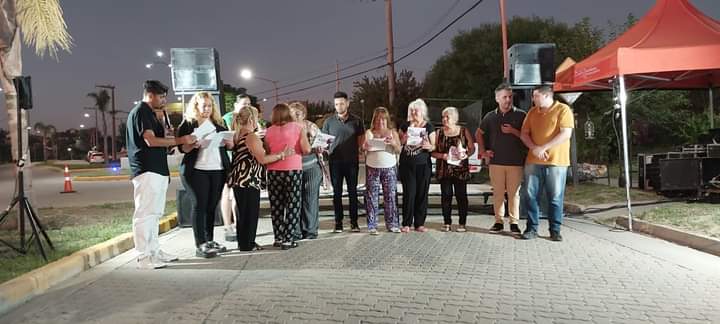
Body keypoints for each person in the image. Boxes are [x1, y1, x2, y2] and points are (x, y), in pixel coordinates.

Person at [126, 80, 196, 269]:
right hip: (146, 168)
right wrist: (179, 139)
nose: (164, 100)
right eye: (161, 96)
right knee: (145, 214)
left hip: (157, 169)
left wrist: (169, 133)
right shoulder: (142, 111)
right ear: (150, 95)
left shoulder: (153, 113)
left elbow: (163, 140)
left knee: (155, 214)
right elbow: (150, 140)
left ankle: (154, 251)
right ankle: (143, 256)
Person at [227, 105, 293, 251]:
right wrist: (282, 155)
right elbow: (262, 158)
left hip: (239, 179)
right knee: (250, 213)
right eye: (257, 117)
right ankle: (248, 243)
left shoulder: (237, 135)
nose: (259, 120)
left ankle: (244, 242)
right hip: (249, 179)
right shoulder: (251, 136)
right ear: (251, 119)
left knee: (242, 213)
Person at [176, 92, 232, 258]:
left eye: (209, 106)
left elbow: (228, 146)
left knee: (211, 206)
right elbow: (182, 148)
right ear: (196, 106)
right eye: (203, 106)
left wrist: (229, 143)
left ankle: (209, 240)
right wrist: (193, 144)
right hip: (196, 171)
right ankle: (200, 244)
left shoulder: (219, 125)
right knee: (199, 205)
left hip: (217, 170)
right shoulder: (187, 125)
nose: (207, 109)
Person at [520, 85, 574, 241]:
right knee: (530, 195)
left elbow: (566, 134)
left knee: (555, 196)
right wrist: (534, 148)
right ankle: (531, 229)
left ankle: (555, 230)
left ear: (546, 95)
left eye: (535, 96)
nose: (533, 99)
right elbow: (524, 134)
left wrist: (543, 147)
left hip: (557, 161)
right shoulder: (532, 112)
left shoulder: (563, 110)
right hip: (533, 161)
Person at [476, 83, 527, 235]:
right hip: (496, 161)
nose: (508, 100)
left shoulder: (521, 115)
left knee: (514, 194)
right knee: (498, 193)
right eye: (504, 97)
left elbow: (527, 137)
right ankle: (498, 222)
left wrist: (513, 131)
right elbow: (479, 134)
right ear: (497, 98)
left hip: (516, 162)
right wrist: (484, 152)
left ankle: (514, 223)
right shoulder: (490, 116)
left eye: (510, 97)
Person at [265, 103, 311, 249]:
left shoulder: (268, 131)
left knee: (276, 205)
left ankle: (278, 237)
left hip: (273, 171)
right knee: (293, 204)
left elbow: (267, 151)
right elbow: (306, 149)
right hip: (292, 170)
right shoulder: (298, 128)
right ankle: (288, 239)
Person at [320, 91, 365, 233]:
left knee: (353, 192)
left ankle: (354, 223)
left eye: (341, 103)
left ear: (347, 103)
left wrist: (362, 150)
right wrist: (323, 148)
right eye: (336, 104)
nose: (339, 106)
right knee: (337, 193)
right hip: (335, 163)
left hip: (352, 162)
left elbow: (361, 142)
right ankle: (338, 223)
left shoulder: (357, 121)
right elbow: (324, 142)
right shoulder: (328, 122)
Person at [431, 107, 474, 232]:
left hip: (460, 169)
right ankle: (446, 222)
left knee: (461, 196)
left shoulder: (463, 131)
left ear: (454, 119)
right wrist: (442, 156)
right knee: (446, 196)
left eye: (447, 117)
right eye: (443, 117)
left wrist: (466, 154)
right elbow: (432, 152)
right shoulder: (438, 133)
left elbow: (471, 148)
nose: (444, 119)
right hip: (444, 169)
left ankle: (462, 223)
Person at [362, 107, 401, 235]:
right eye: (378, 119)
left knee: (390, 196)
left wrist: (393, 143)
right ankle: (372, 225)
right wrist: (364, 147)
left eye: (383, 119)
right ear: (374, 120)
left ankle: (392, 224)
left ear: (387, 120)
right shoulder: (369, 132)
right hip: (372, 167)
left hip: (389, 167)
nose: (381, 122)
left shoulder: (392, 132)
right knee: (372, 196)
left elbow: (398, 150)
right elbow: (363, 149)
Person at [398, 99, 435, 233]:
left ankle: (419, 223)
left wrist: (429, 146)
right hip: (407, 165)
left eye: (416, 110)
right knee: (409, 193)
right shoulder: (404, 126)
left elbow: (433, 146)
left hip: (423, 165)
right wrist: (404, 138)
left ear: (422, 111)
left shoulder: (428, 126)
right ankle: (406, 223)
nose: (414, 112)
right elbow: (398, 144)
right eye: (412, 110)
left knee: (422, 194)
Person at [219, 94, 252, 242]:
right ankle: (228, 225)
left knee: (238, 195)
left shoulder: (250, 117)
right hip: (229, 160)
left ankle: (239, 224)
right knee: (227, 192)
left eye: (249, 104)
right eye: (244, 104)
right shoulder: (227, 118)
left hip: (243, 161)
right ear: (236, 105)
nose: (247, 106)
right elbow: (228, 138)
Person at [289, 102, 324, 240]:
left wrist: (321, 147)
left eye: (298, 113)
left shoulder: (311, 126)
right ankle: (296, 231)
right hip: (293, 167)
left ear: (304, 114)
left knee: (310, 199)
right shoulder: (287, 128)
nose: (295, 116)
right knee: (295, 199)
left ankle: (310, 230)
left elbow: (320, 142)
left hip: (311, 166)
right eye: (292, 113)